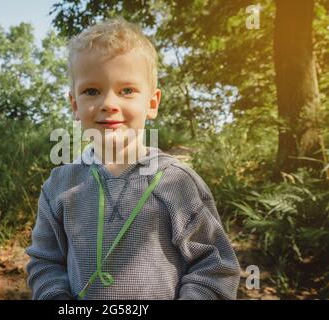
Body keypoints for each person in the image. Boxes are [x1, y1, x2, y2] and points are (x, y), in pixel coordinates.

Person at [26, 17, 240, 300]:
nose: (109, 104)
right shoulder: (60, 185)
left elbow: (215, 267)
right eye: (92, 91)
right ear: (75, 105)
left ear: (152, 103)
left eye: (126, 90)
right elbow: (45, 263)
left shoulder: (176, 182)